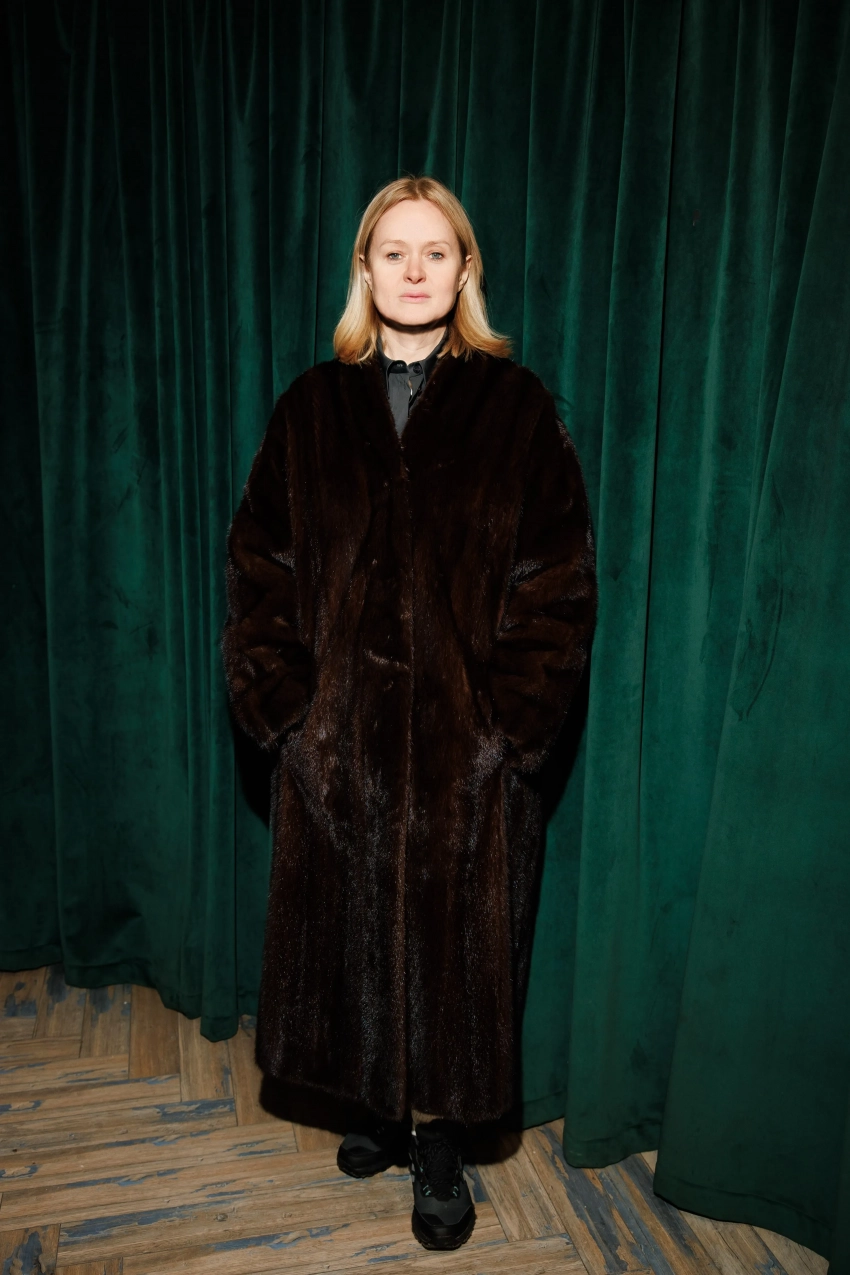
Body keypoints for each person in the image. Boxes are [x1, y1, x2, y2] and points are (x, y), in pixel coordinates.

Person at [221, 175, 598, 1251]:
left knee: (453, 961)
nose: (416, 269)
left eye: (437, 251)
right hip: (337, 754)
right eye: (394, 251)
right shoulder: (312, 408)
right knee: (351, 942)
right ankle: (380, 1109)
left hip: (464, 763)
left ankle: (438, 1141)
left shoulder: (514, 409)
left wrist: (503, 734)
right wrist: (289, 718)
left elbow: (557, 585)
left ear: (465, 269)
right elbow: (259, 568)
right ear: (366, 269)